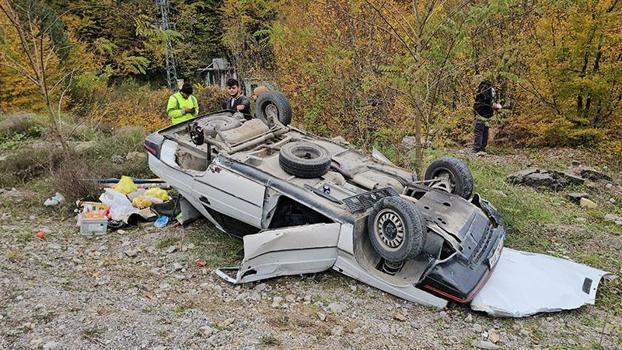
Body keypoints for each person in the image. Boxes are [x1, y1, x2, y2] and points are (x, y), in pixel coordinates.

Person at [472, 80, 501, 154]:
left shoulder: (482, 90)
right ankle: (482, 148)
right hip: (487, 115)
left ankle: (477, 148)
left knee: (479, 131)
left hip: (480, 114)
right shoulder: (491, 90)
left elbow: (483, 102)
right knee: (485, 131)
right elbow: (490, 103)